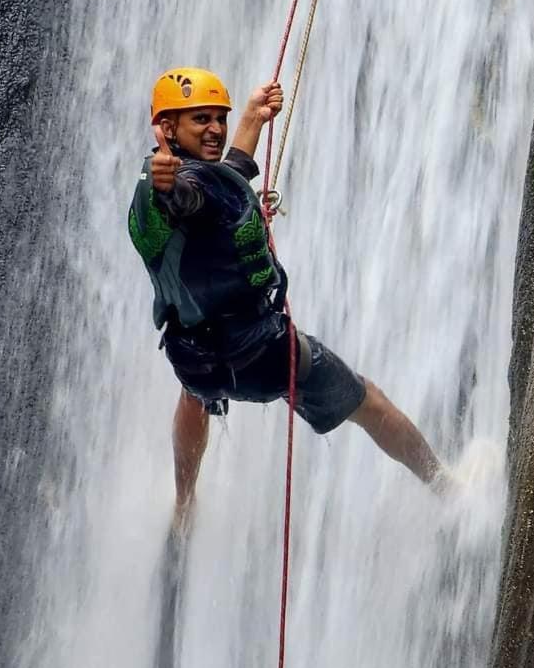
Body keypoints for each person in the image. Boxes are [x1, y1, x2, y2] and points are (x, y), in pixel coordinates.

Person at [129, 67, 449, 531]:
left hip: (193, 356)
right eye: (201, 119)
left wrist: (253, 121)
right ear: (167, 129)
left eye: (220, 117)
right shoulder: (176, 185)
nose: (216, 127)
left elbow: (218, 183)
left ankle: (183, 506)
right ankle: (444, 486)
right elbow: (184, 195)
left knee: (194, 396)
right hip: (259, 354)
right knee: (368, 401)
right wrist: (163, 185)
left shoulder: (192, 181)